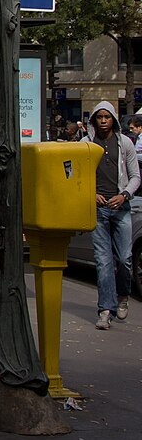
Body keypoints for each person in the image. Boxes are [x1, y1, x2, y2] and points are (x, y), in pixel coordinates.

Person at [83, 101, 140, 329]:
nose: (104, 121)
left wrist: (124, 195)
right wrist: (90, 193)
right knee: (103, 261)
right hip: (97, 209)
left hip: (121, 208)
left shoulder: (125, 143)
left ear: (114, 119)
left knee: (124, 258)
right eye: (100, 117)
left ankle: (123, 296)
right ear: (94, 120)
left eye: (107, 117)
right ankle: (105, 310)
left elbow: (135, 176)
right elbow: (75, 174)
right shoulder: (85, 144)